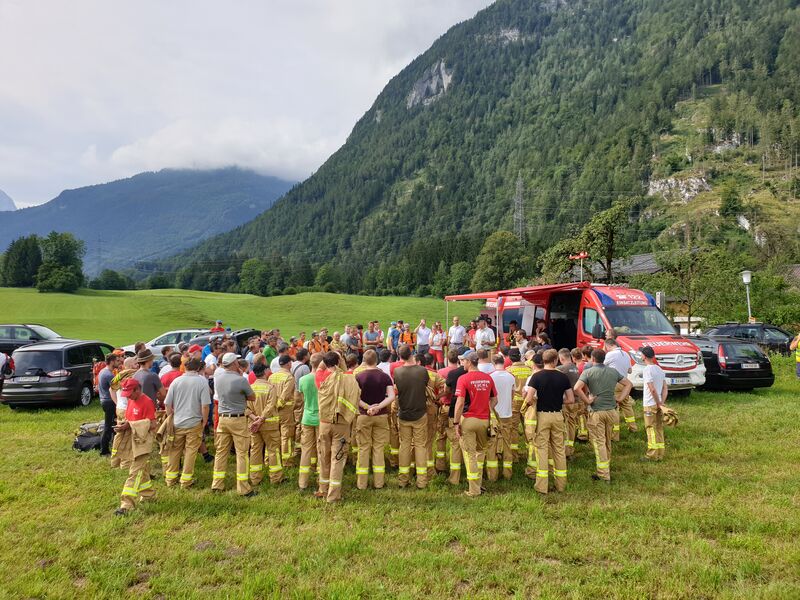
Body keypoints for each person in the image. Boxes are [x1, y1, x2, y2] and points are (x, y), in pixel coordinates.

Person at [573, 349, 633, 483]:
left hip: (597, 412)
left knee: (599, 442)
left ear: (593, 359)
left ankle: (603, 474)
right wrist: (620, 398)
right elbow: (629, 384)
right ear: (604, 359)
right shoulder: (613, 371)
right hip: (612, 411)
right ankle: (606, 466)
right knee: (607, 440)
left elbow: (576, 388)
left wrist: (587, 400)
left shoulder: (588, 372)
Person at [526, 349, 574, 495]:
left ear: (543, 360)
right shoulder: (563, 377)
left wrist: (536, 401)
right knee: (559, 449)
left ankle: (542, 486)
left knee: (542, 449)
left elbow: (528, 399)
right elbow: (571, 399)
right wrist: (559, 401)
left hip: (542, 416)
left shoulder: (536, 377)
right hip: (558, 415)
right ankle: (561, 484)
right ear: (556, 360)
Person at [315, 351, 360, 502]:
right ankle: (333, 495)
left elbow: (320, 367)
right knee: (337, 459)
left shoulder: (320, 376)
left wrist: (327, 358)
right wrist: (341, 361)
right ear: (339, 362)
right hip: (341, 423)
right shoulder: (347, 378)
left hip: (324, 423)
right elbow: (348, 377)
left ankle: (323, 489)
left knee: (324, 457)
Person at [211, 353, 257, 497]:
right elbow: (252, 397)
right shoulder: (240, 380)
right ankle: (243, 488)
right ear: (234, 364)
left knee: (221, 452)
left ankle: (217, 484)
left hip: (223, 419)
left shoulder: (218, 378)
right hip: (238, 419)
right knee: (242, 453)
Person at [453, 351, 497, 497]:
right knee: (480, 452)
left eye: (463, 361)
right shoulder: (488, 378)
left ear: (469, 362)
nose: (462, 363)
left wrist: (456, 422)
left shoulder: (463, 378)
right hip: (484, 420)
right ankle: (478, 484)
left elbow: (460, 403)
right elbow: (495, 399)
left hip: (468, 420)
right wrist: (486, 408)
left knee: (470, 454)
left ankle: (473, 490)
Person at [163, 357, 210, 488]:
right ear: (198, 368)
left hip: (177, 422)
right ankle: (186, 481)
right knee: (190, 452)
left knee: (174, 450)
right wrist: (204, 421)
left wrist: (170, 417)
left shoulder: (176, 381)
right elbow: (205, 406)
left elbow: (167, 403)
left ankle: (170, 479)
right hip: (194, 422)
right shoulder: (201, 382)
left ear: (185, 367)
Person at [114, 379, 157, 515]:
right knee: (141, 470)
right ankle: (148, 495)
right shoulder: (131, 400)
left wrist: (131, 425)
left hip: (143, 443)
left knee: (135, 472)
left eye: (129, 394)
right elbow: (130, 419)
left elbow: (153, 424)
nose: (128, 397)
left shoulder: (147, 402)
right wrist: (123, 425)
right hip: (133, 440)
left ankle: (126, 505)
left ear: (137, 390)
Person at [393, 345, 431, 489]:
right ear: (411, 354)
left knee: (404, 445)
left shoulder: (397, 371)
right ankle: (422, 481)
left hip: (404, 413)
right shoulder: (422, 371)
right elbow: (427, 385)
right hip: (420, 413)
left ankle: (403, 480)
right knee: (420, 446)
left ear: (399, 356)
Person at [355, 349, 394, 489]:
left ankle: (361, 483)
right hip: (381, 416)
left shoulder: (359, 376)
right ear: (376, 360)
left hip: (363, 416)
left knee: (363, 448)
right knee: (378, 448)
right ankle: (379, 483)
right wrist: (378, 407)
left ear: (364, 361)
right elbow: (391, 396)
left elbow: (355, 397)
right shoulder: (384, 377)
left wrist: (367, 407)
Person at [248, 362, 283, 486]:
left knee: (255, 450)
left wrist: (255, 419)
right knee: (273, 450)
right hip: (269, 425)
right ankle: (276, 478)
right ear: (264, 372)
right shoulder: (270, 388)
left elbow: (245, 407)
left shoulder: (250, 388)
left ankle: (255, 478)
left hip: (253, 425)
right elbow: (270, 405)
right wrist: (261, 419)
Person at [297, 353, 323, 490]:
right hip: (321, 418)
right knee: (321, 449)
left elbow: (301, 399)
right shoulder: (325, 379)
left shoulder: (303, 379)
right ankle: (321, 480)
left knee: (306, 450)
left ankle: (303, 482)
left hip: (307, 417)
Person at [488, 355, 515, 481]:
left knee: (492, 445)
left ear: (493, 363)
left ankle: (492, 475)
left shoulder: (490, 377)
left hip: (494, 415)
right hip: (507, 414)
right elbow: (512, 395)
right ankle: (507, 473)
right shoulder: (511, 376)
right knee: (507, 443)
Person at [443, 350, 468, 484]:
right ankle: (472, 474)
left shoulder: (453, 374)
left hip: (455, 411)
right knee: (469, 444)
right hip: (471, 412)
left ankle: (454, 477)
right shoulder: (477, 374)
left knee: (455, 444)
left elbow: (446, 390)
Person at [604, 338, 637, 437]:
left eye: (606, 347)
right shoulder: (626, 354)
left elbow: (602, 366)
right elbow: (630, 370)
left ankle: (615, 434)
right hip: (625, 383)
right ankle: (633, 427)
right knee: (627, 405)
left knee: (614, 407)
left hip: (614, 383)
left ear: (609, 345)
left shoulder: (610, 354)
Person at [641, 346, 668, 461]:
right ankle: (660, 454)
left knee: (650, 428)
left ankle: (651, 455)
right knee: (659, 428)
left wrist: (657, 402)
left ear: (644, 356)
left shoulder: (647, 370)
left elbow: (652, 389)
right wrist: (662, 403)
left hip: (650, 404)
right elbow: (665, 388)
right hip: (659, 404)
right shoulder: (659, 369)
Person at [269, 354, 297, 467]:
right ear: (289, 363)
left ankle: (270, 460)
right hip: (285, 410)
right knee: (286, 435)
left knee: (273, 435)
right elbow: (285, 395)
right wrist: (278, 406)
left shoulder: (272, 377)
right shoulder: (289, 377)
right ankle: (287, 461)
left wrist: (272, 408)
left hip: (272, 411)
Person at [505, 348, 532, 463]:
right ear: (520, 357)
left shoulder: (509, 371)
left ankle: (514, 456)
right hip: (528, 401)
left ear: (510, 358)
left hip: (515, 402)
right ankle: (531, 453)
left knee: (513, 428)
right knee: (529, 427)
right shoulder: (529, 370)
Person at [521, 352, 544, 479]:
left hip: (534, 411)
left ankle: (532, 470)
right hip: (549, 410)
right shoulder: (555, 374)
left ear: (533, 364)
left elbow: (526, 396)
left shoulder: (532, 378)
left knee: (533, 440)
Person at [435, 350, 459, 472]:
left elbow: (437, 389)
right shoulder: (461, 372)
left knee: (441, 436)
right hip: (457, 408)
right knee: (456, 438)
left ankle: (440, 466)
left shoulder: (441, 372)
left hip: (444, 406)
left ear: (447, 359)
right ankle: (457, 465)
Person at [557, 348, 581, 458]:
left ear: (561, 358)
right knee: (572, 425)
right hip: (576, 401)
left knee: (565, 427)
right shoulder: (575, 368)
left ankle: (565, 450)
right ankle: (570, 449)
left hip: (566, 401)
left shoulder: (561, 369)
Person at [98, 353, 123, 457]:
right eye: (117, 361)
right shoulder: (109, 375)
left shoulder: (102, 371)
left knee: (111, 424)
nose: (119, 362)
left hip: (104, 400)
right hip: (109, 402)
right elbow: (118, 388)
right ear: (112, 361)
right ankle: (104, 450)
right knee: (109, 426)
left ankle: (113, 445)